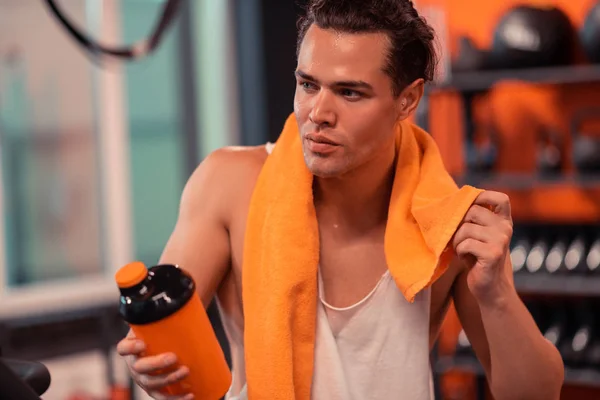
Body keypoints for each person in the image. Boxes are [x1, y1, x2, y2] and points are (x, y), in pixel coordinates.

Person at [117, 1, 564, 399]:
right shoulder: (229, 185)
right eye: (308, 85)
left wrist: (498, 294)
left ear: (407, 100)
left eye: (350, 92)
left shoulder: (446, 222)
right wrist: (156, 368)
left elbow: (535, 393)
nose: (318, 114)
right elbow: (166, 331)